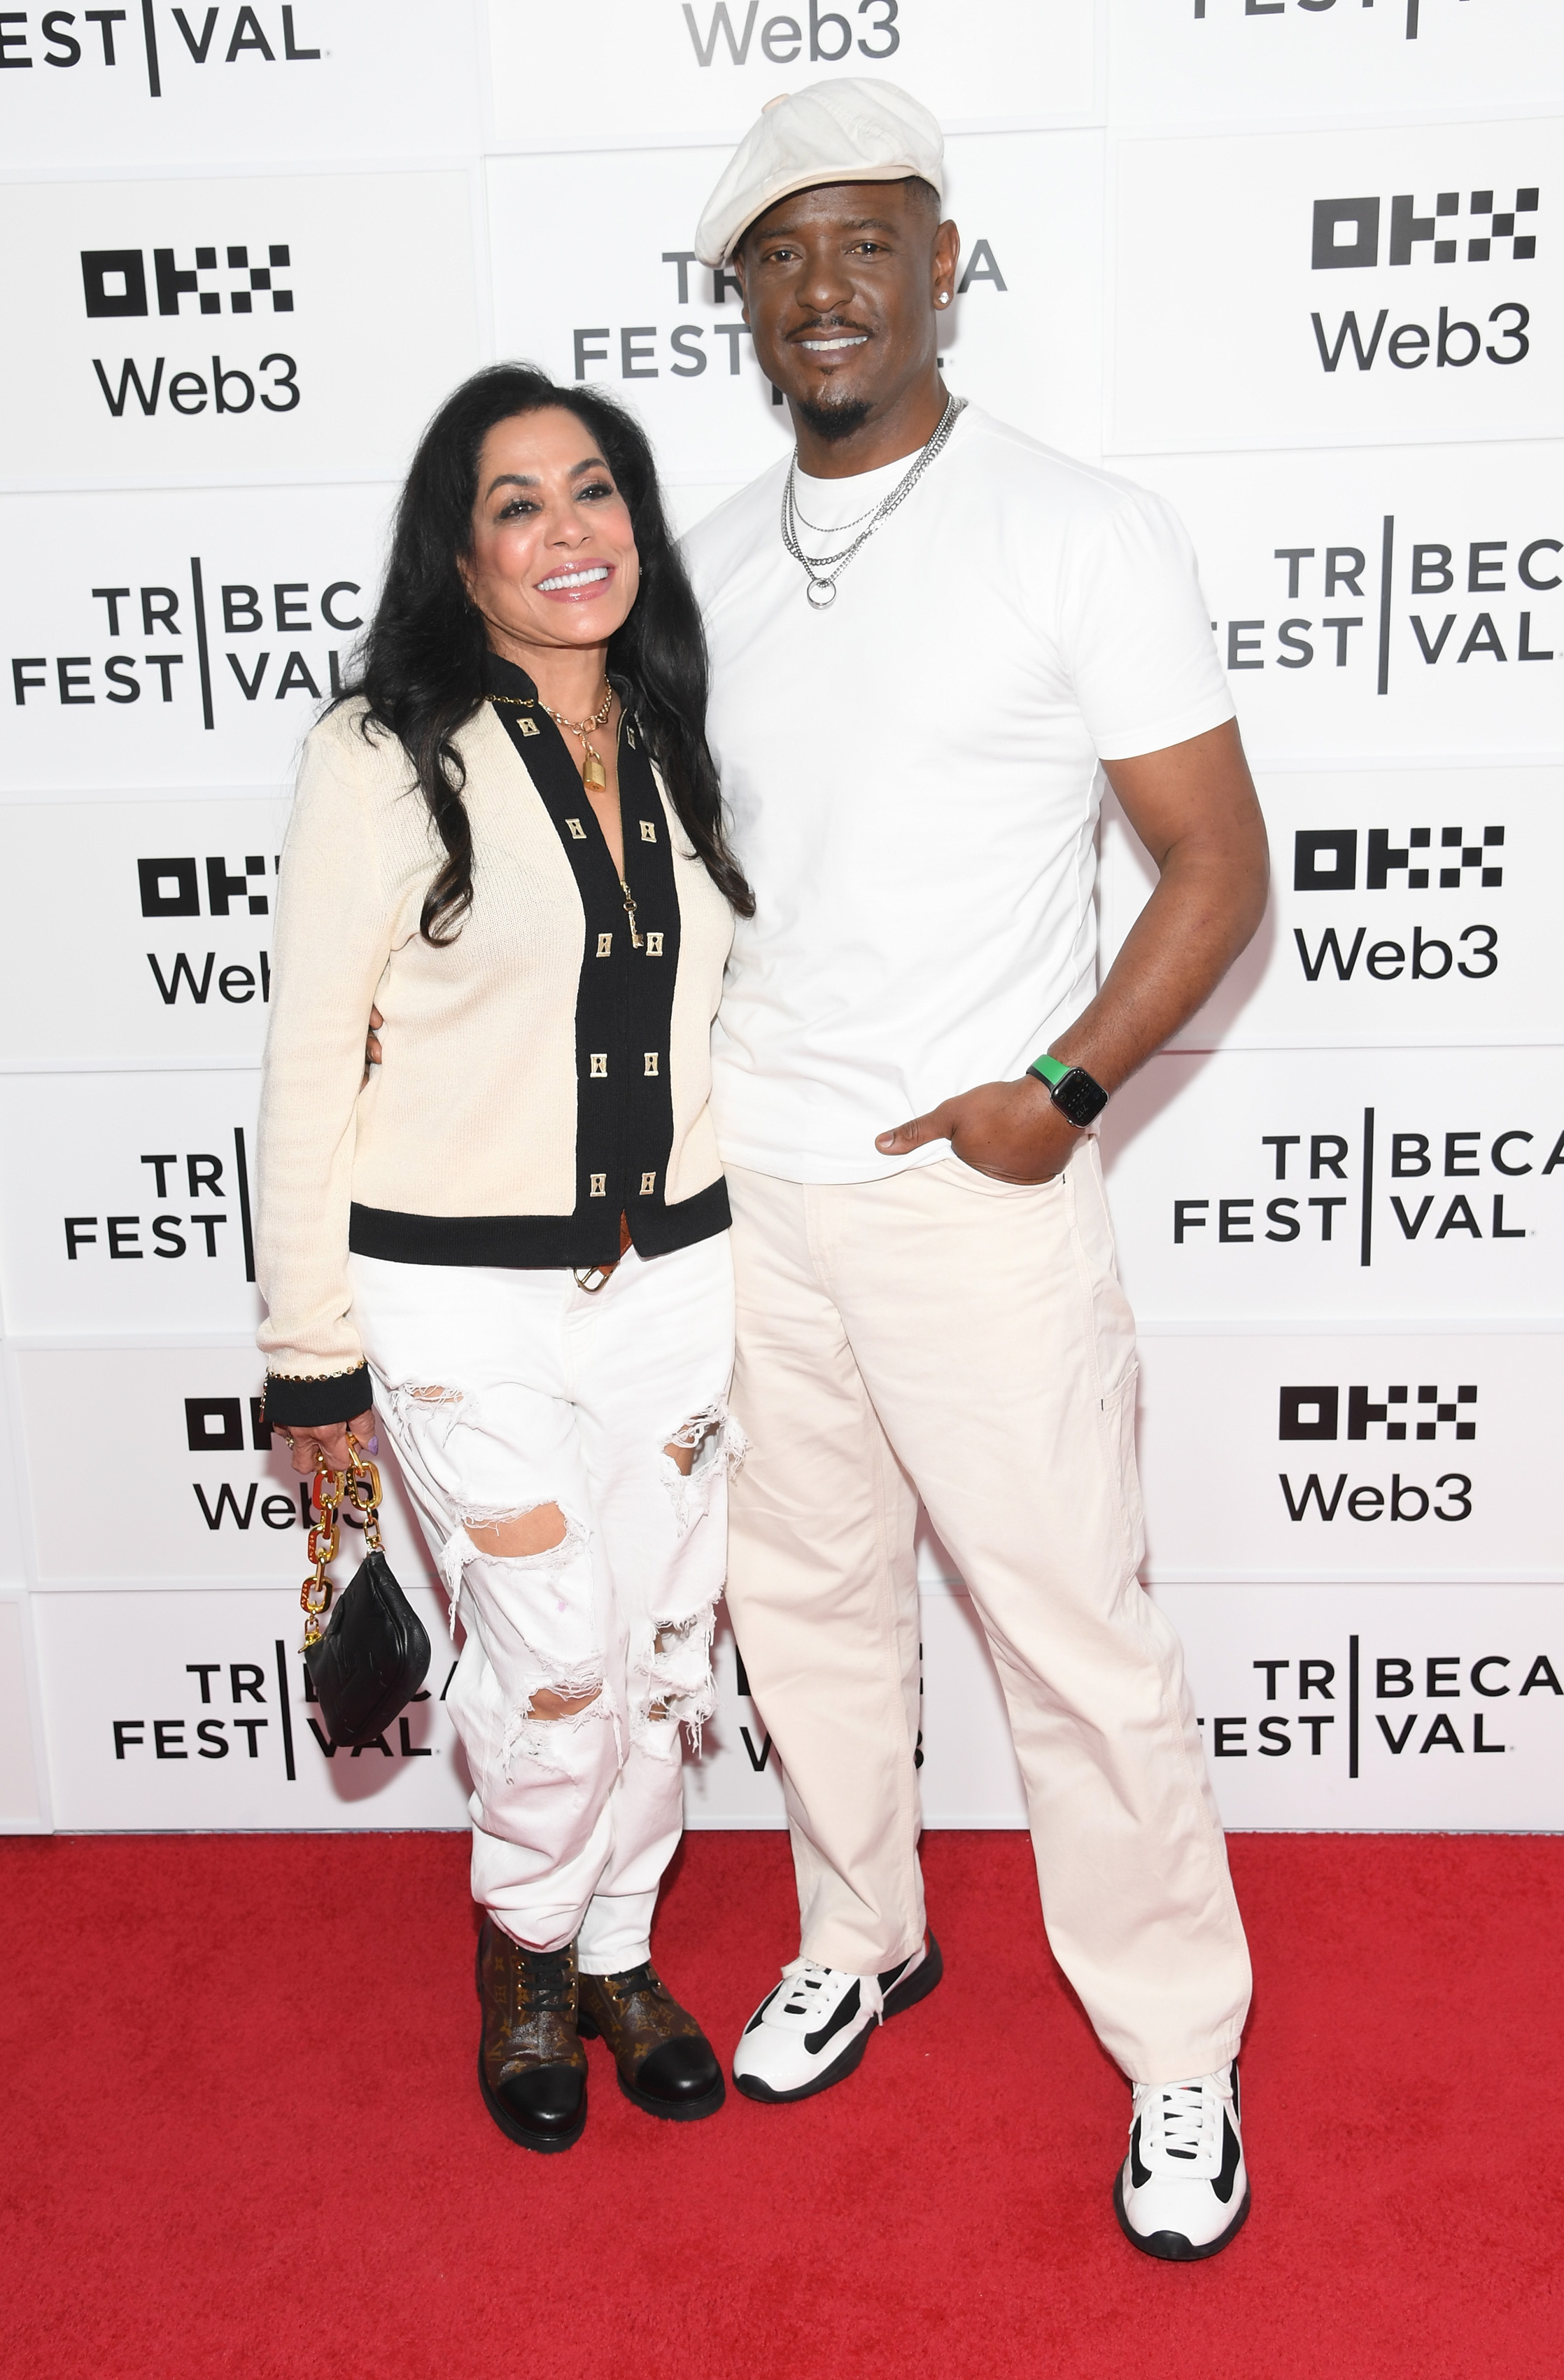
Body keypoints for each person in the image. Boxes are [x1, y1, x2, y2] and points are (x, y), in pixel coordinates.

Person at [682, 81, 1267, 2260]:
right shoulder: (714, 557)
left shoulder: (1075, 529)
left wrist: (1066, 1090)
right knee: (802, 1609)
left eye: (864, 241)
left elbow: (1215, 866)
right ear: (739, 297)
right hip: (758, 1188)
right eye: (777, 252)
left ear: (942, 263)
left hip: (973, 1193)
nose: (822, 287)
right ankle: (861, 1930)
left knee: (1070, 1642)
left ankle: (1181, 2049)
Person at [254, 363, 752, 2155]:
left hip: (678, 1282)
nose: (569, 530)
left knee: (664, 1647)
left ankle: (619, 1951)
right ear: (457, 557)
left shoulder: (682, 725)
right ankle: (525, 1950)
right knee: (549, 1653)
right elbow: (309, 1061)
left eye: (595, 488)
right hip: (457, 1297)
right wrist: (309, 1360)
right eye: (518, 503)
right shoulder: (376, 749)